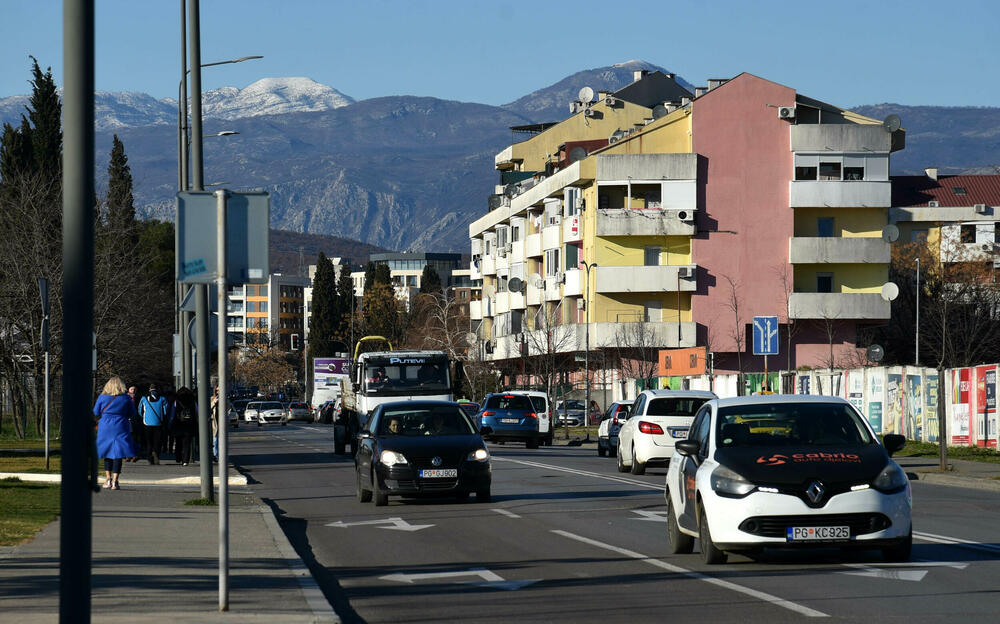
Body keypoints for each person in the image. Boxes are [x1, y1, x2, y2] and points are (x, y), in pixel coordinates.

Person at [94, 375, 140, 490]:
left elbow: (96, 411)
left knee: (107, 451)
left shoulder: (102, 397)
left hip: (105, 426)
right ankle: (115, 480)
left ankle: (108, 479)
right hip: (121, 425)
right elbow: (132, 413)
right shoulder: (126, 398)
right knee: (118, 453)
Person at [139, 384, 168, 464]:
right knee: (157, 441)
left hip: (147, 423)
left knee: (149, 441)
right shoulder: (162, 399)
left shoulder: (144, 398)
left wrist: (144, 417)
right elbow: (165, 411)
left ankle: (149, 457)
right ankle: (156, 455)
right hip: (158, 423)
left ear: (149, 389)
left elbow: (139, 410)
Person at [172, 387, 198, 466]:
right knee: (187, 443)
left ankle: (178, 457)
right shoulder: (193, 401)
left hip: (178, 423)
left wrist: (171, 422)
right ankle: (185, 460)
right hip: (189, 424)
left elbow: (172, 413)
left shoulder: (177, 401)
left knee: (178, 442)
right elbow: (197, 412)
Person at [127, 385, 144, 461]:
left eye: (134, 389)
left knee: (135, 438)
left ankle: (134, 455)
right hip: (127, 420)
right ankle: (128, 455)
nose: (133, 391)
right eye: (131, 389)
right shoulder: (125, 398)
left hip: (136, 420)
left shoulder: (139, 398)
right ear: (128, 390)